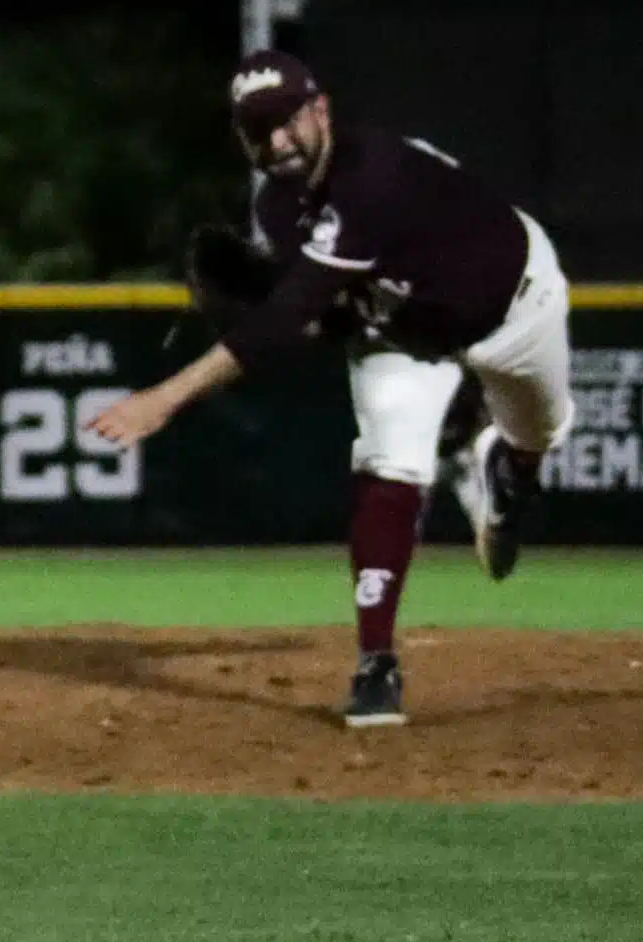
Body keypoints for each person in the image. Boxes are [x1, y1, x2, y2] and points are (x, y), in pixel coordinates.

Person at [85, 49, 572, 727]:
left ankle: (507, 468)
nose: (276, 141)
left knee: (540, 432)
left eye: (286, 121)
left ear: (320, 110)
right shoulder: (278, 206)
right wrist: (285, 306)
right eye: (257, 130)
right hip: (403, 334)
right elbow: (322, 315)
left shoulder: (370, 174)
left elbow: (287, 317)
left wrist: (163, 397)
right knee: (388, 463)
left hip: (518, 311)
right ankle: (377, 663)